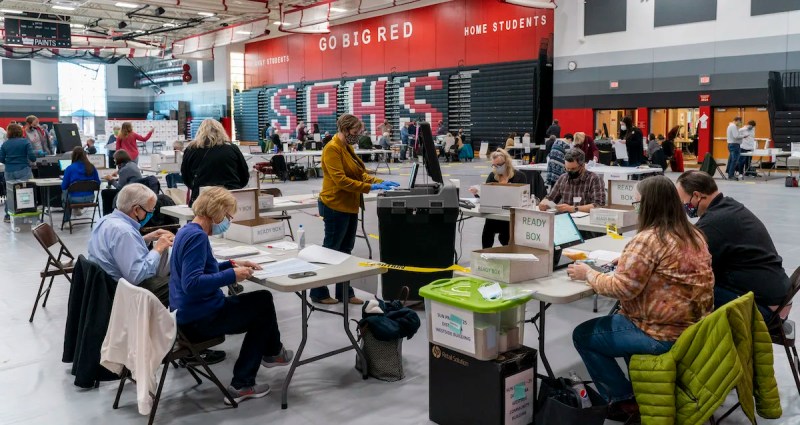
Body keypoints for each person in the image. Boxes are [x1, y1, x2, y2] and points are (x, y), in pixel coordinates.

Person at [568, 175, 713, 422]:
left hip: (662, 334)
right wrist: (627, 263)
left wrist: (588, 273)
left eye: (636, 203)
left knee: (583, 335)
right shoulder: (693, 234)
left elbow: (622, 289)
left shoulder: (647, 239)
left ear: (648, 205)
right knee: (619, 321)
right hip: (695, 330)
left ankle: (623, 400)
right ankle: (638, 390)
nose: (635, 208)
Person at [169, 187, 293, 404]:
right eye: (227, 216)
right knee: (262, 303)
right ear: (216, 212)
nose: (229, 220)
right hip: (200, 319)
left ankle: (273, 353)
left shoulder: (187, 231)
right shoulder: (198, 238)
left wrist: (232, 264)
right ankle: (244, 381)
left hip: (187, 314)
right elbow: (193, 283)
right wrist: (231, 275)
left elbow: (201, 270)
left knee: (260, 302)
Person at [676, 171, 790, 323]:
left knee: (686, 294)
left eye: (683, 202)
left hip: (764, 309)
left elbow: (692, 268)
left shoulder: (713, 224)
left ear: (697, 196)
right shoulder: (729, 207)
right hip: (778, 299)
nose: (684, 207)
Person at [313, 114, 399, 305]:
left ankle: (344, 292)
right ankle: (317, 292)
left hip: (350, 205)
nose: (358, 135)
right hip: (335, 205)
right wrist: (370, 188)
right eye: (356, 131)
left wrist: (380, 182)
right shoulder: (332, 149)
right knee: (330, 250)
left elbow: (360, 174)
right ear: (345, 130)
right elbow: (341, 181)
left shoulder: (347, 147)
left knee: (345, 250)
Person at [87, 183, 174, 304]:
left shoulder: (106, 220)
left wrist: (146, 238)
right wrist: (158, 249)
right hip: (119, 292)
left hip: (102, 286)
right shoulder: (125, 232)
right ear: (136, 210)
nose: (151, 214)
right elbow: (138, 276)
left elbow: (118, 250)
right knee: (180, 284)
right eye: (149, 211)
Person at [181, 119, 250, 205]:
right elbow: (244, 174)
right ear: (221, 131)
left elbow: (186, 177)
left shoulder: (191, 149)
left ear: (200, 131)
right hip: (230, 196)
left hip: (203, 198)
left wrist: (197, 186)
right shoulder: (232, 148)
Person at [469, 149, 527, 248]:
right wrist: (477, 192)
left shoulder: (519, 176)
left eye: (499, 165)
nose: (496, 168)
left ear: (507, 163)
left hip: (510, 215)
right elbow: (486, 194)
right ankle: (485, 255)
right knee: (487, 233)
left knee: (506, 238)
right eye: (494, 165)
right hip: (494, 212)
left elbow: (524, 196)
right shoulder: (493, 176)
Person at [539, 148, 605, 213]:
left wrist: (574, 209)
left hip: (586, 220)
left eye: (573, 169)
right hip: (566, 219)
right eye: (567, 168)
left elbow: (598, 205)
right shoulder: (563, 178)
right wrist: (544, 203)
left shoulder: (594, 179)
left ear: (583, 166)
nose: (570, 171)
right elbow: (550, 198)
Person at [0, 123, 36, 222]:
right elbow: (32, 157)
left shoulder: (5, 144)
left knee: (10, 193)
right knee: (26, 191)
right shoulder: (25, 142)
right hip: (23, 169)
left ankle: (7, 215)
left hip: (9, 171)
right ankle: (25, 213)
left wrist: (10, 162)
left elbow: (1, 159)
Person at [61, 147, 101, 221]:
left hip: (74, 199)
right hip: (90, 198)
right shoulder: (91, 167)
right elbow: (98, 183)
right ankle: (77, 209)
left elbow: (64, 186)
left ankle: (66, 221)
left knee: (65, 192)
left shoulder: (70, 168)